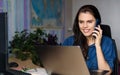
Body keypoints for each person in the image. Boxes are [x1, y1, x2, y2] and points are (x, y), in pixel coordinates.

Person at [62, 5, 116, 74]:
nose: (85, 26)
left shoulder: (107, 42)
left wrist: (98, 46)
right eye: (81, 22)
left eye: (89, 22)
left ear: (97, 23)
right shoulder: (69, 41)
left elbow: (107, 73)